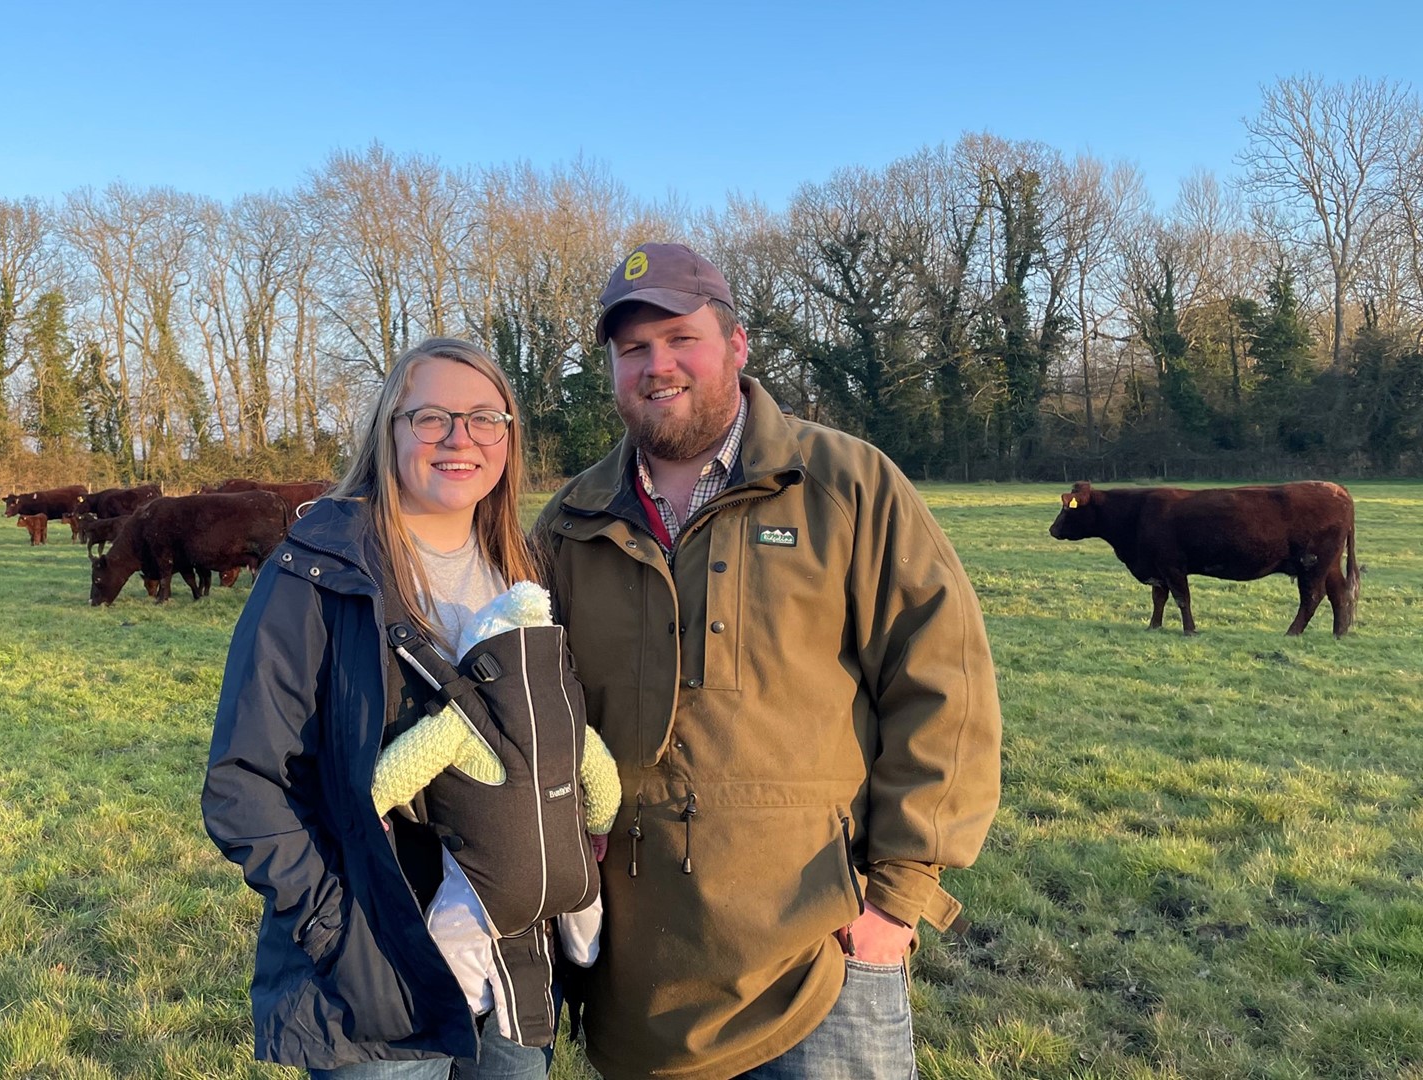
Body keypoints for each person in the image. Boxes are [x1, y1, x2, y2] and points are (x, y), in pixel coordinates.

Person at [534, 244, 1003, 1080]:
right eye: (632, 349)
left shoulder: (846, 484)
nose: (657, 365)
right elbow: (524, 712)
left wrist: (895, 903)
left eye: (681, 337)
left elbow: (944, 683)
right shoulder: (569, 522)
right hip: (636, 984)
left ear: (738, 344)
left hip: (818, 966)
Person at [205, 337, 609, 1078]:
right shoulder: (318, 574)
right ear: (388, 428)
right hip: (378, 974)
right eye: (432, 418)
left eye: (485, 418)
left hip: (516, 961)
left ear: (510, 438)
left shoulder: (529, 572)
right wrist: (340, 933)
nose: (460, 440)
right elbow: (243, 782)